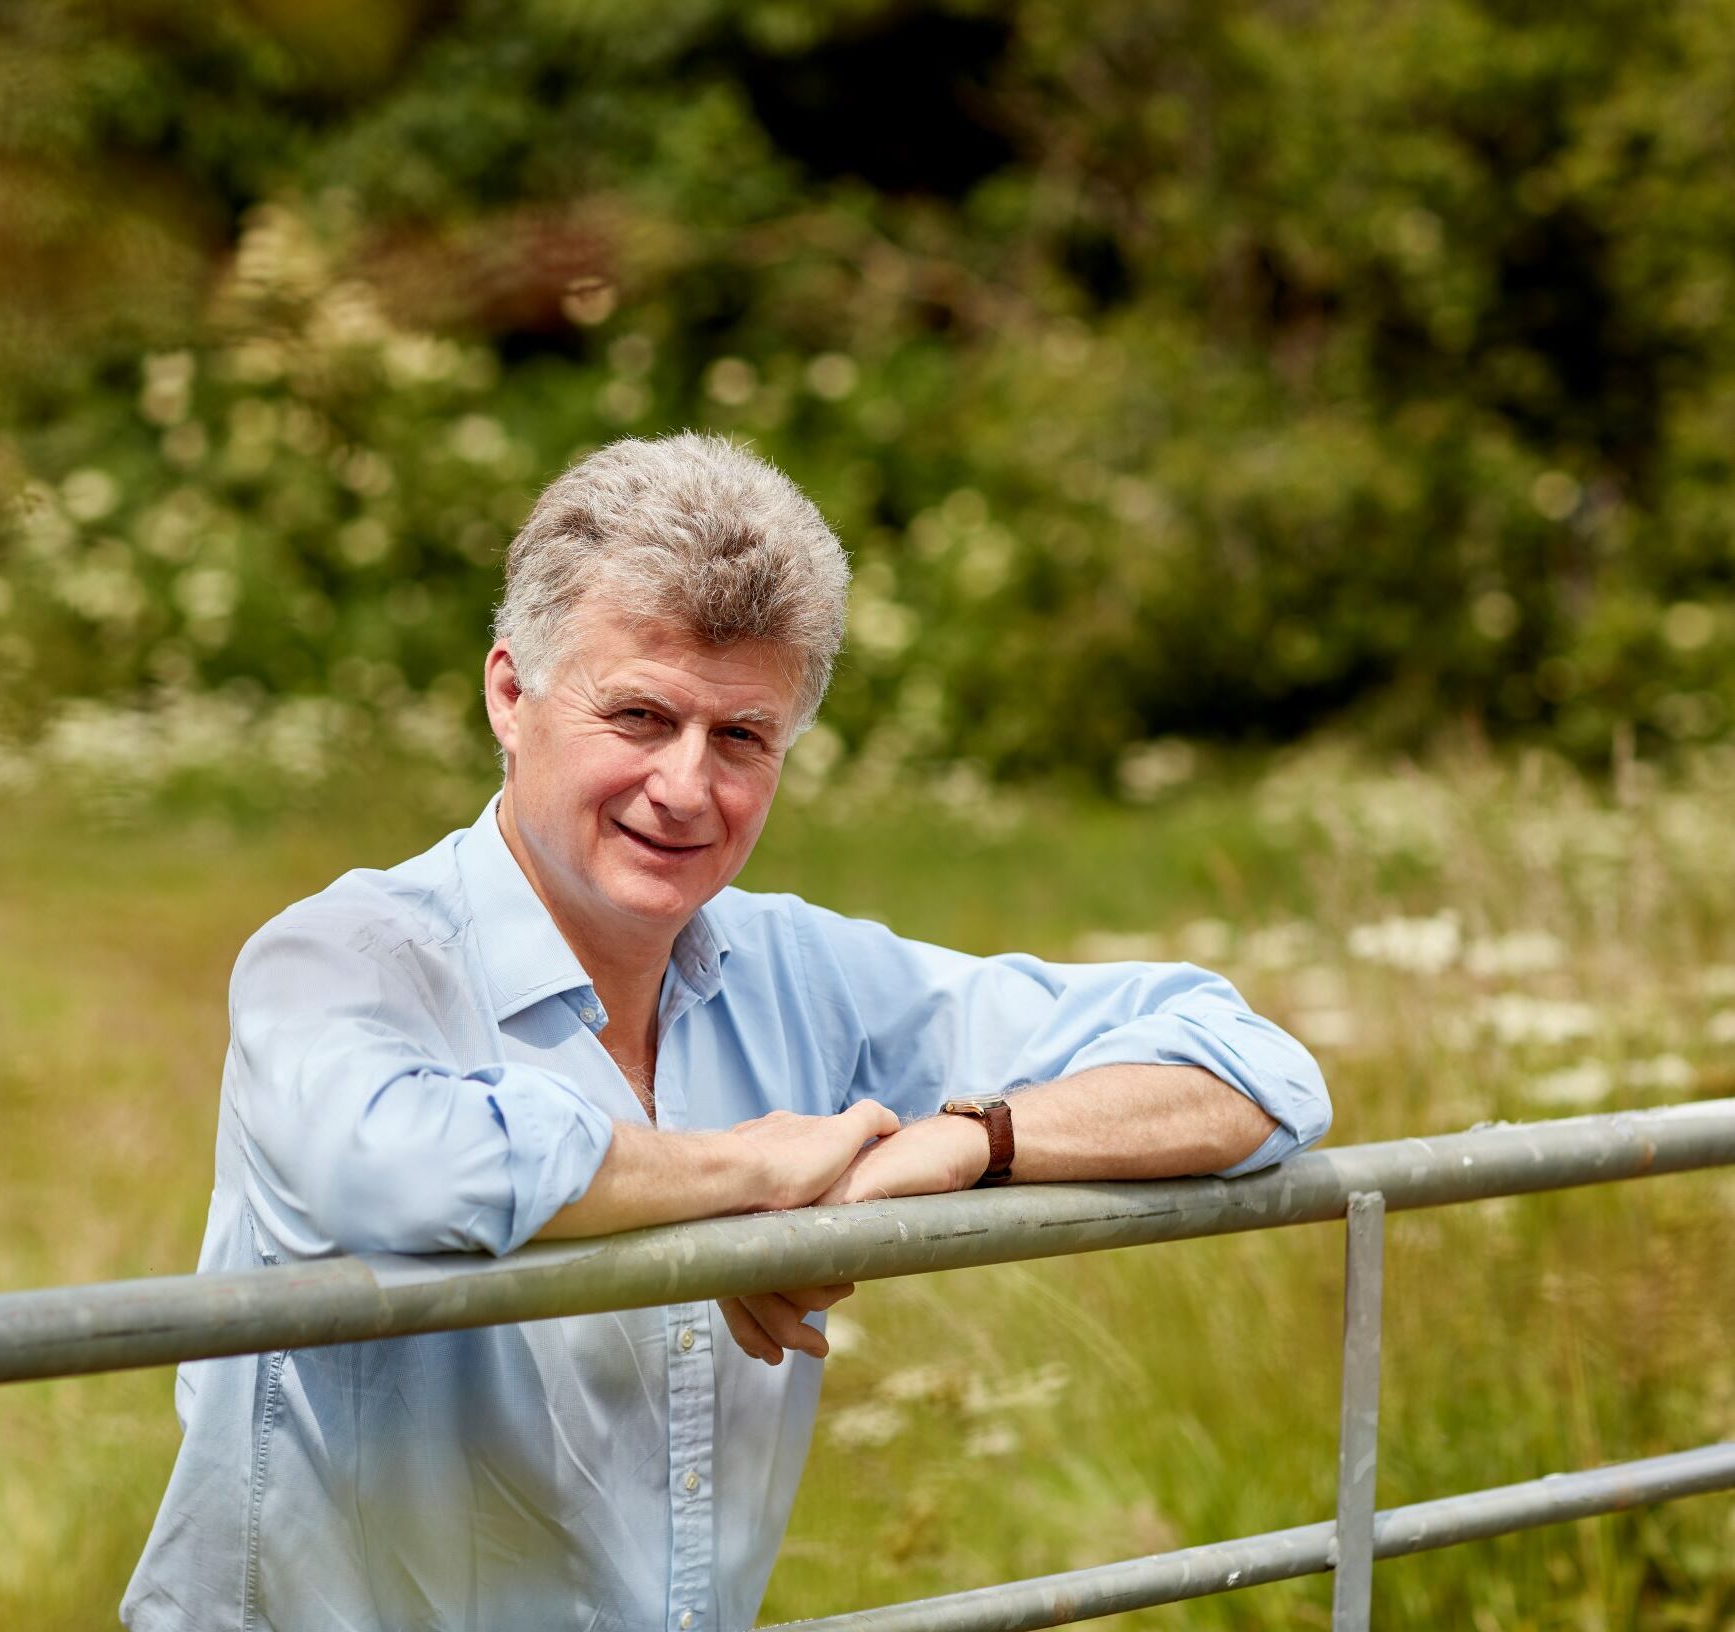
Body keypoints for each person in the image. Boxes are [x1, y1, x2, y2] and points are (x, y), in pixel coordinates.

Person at [122, 432, 1331, 1632]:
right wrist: (744, 1177)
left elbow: (1252, 1068)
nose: (685, 789)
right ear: (509, 693)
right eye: (638, 715)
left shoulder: (800, 971)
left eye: (742, 737)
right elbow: (385, 1159)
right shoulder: (341, 956)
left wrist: (962, 1143)